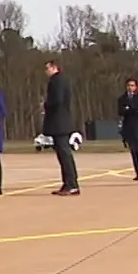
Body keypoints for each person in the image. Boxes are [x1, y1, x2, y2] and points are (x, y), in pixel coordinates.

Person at [41, 59, 79, 195]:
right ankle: (67, 183)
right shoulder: (59, 80)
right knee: (62, 154)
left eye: (47, 68)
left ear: (54, 67)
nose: (46, 71)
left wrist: (46, 105)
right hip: (59, 122)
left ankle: (72, 184)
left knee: (65, 154)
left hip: (59, 123)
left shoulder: (57, 81)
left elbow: (57, 99)